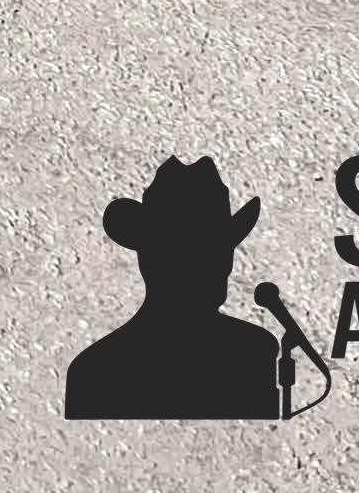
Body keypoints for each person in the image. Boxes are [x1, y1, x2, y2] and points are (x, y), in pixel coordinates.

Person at [65, 157, 283, 420]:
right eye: (200, 253)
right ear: (152, 260)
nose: (221, 266)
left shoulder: (94, 369)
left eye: (221, 250)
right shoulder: (252, 352)